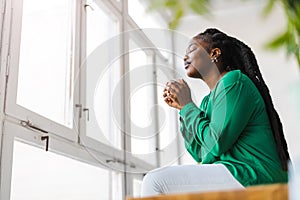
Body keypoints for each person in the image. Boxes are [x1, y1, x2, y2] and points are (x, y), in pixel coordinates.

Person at [141, 28, 290, 197]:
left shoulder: (234, 81)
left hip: (253, 174)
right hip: (237, 174)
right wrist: (183, 110)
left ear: (214, 54)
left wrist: (188, 105)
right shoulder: (207, 100)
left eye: (191, 49)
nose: (185, 57)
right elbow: (201, 153)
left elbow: (215, 144)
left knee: (155, 181)